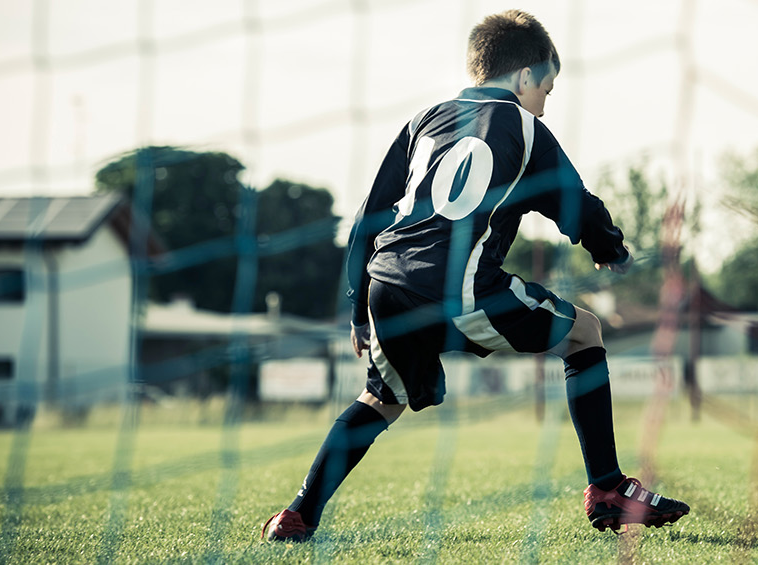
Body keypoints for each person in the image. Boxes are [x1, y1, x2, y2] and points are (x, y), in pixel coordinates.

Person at [261, 10, 689, 542]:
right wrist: (612, 250)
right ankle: (606, 489)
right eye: (548, 89)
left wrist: (357, 308)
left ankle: (298, 514)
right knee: (585, 333)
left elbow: (368, 218)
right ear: (527, 76)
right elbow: (575, 204)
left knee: (382, 398)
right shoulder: (526, 127)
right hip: (457, 287)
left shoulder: (424, 120)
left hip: (386, 284)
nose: (545, 101)